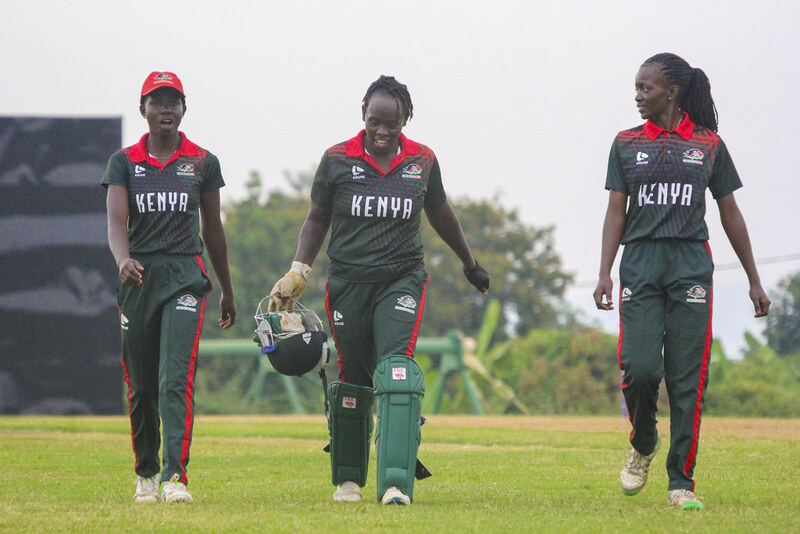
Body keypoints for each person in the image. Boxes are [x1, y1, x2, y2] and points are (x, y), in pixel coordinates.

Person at [268, 75, 490, 505]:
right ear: (363, 115)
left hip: (401, 279)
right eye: (375, 121)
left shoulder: (422, 161)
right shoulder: (336, 160)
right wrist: (299, 271)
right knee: (354, 380)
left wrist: (470, 264)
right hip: (348, 282)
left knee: (395, 371)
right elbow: (317, 219)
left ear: (407, 118)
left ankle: (395, 480)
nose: (383, 131)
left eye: (393, 123)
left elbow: (441, 212)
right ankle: (349, 478)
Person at [592, 53, 770, 511]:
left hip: (691, 265)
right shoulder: (625, 143)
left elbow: (730, 213)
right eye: (636, 88)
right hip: (641, 265)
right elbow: (616, 212)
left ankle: (681, 483)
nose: (637, 96)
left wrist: (753, 279)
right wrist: (604, 272)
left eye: (645, 88)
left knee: (687, 380)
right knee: (641, 369)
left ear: (671, 92)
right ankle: (644, 441)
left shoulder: (709, 145)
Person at [103, 71, 236, 505]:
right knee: (141, 385)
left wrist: (228, 290)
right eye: (156, 101)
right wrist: (123, 261)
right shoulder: (124, 161)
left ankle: (174, 477)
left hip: (184, 276)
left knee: (173, 380)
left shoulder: (202, 161)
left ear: (183, 108)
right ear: (143, 108)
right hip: (139, 277)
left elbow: (213, 229)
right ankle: (145, 473)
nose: (165, 109)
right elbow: (116, 222)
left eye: (173, 102)